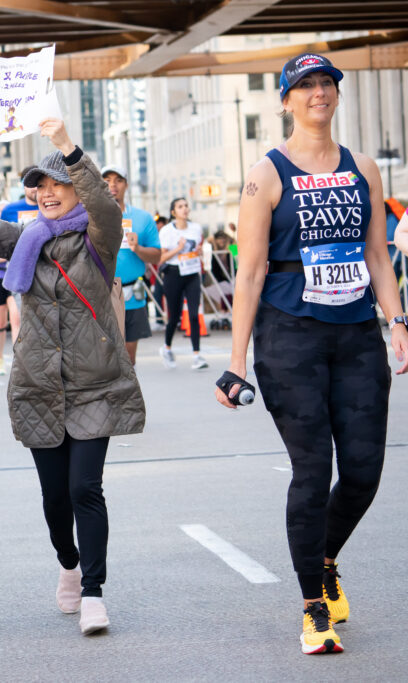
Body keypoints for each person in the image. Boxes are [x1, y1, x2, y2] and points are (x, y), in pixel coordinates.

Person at [216, 53, 408, 655]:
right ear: (286, 100)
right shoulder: (265, 174)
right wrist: (237, 361)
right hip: (288, 337)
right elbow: (247, 274)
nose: (319, 93)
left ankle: (325, 559)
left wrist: (397, 320)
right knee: (312, 469)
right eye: (306, 86)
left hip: (356, 336)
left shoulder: (364, 169)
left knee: (363, 472)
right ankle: (313, 606)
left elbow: (379, 255)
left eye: (327, 83)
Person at [0, 118, 145, 636]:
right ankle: (69, 564)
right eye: (39, 186)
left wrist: (65, 148)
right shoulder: (25, 238)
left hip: (93, 383)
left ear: (74, 188)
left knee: (85, 489)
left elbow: (104, 205)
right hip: (38, 385)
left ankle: (96, 593)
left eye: (56, 184)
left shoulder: (99, 238)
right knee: (54, 498)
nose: (46, 193)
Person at [102, 166, 161, 364]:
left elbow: (156, 256)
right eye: (107, 180)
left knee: (129, 357)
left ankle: (126, 395)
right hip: (101, 291)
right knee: (104, 354)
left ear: (126, 184)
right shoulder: (89, 217)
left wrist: (138, 249)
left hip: (132, 292)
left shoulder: (142, 218)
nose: (112, 185)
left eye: (118, 180)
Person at [158, 197, 208, 369]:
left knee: (194, 314)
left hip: (192, 273)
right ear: (173, 212)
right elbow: (161, 257)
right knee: (175, 316)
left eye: (186, 205)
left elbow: (198, 249)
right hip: (173, 274)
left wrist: (200, 251)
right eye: (180, 206)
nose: (185, 209)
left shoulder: (196, 228)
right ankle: (166, 347)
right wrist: (178, 249)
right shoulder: (166, 231)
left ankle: (197, 356)